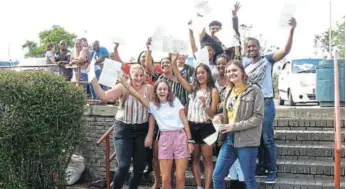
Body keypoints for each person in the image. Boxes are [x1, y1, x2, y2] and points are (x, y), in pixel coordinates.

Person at [243, 17, 297, 183]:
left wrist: (291, 29)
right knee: (255, 138)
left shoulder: (267, 59)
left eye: (254, 46)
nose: (251, 49)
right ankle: (261, 166)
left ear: (259, 48)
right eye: (248, 46)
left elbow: (285, 50)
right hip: (250, 104)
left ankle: (272, 170)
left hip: (265, 102)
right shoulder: (243, 63)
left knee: (267, 138)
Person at [118, 77, 194, 189]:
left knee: (180, 177)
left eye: (165, 89)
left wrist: (190, 140)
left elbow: (184, 121)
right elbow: (136, 94)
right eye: (160, 89)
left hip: (180, 137)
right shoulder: (152, 106)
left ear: (168, 91)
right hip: (164, 138)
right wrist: (124, 82)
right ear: (156, 91)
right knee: (165, 178)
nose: (162, 91)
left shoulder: (176, 102)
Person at [89, 64, 154, 189]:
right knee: (123, 165)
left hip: (142, 129)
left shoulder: (149, 89)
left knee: (139, 166)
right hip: (123, 129)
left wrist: (150, 134)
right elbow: (104, 96)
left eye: (141, 75)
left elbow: (153, 112)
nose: (139, 78)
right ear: (130, 75)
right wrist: (93, 80)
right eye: (136, 75)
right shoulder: (122, 87)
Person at [212, 60, 264, 189]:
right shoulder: (229, 91)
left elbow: (258, 117)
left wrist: (233, 126)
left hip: (247, 141)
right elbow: (231, 114)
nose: (231, 73)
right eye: (228, 71)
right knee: (217, 177)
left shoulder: (254, 90)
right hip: (229, 140)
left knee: (249, 179)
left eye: (234, 70)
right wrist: (220, 117)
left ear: (242, 72)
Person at [172, 54, 219, 189]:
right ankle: (199, 186)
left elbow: (213, 113)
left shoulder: (213, 91)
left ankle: (207, 186)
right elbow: (179, 78)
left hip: (207, 128)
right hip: (192, 127)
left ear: (208, 74)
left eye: (202, 73)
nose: (200, 75)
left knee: (208, 160)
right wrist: (174, 63)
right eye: (198, 73)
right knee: (195, 159)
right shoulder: (192, 90)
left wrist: (205, 105)